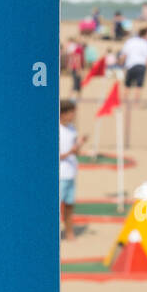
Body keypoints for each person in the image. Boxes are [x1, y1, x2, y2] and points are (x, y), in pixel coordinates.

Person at [59, 99, 87, 241]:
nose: (73, 115)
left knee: (69, 206)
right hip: (59, 175)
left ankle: (69, 232)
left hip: (71, 173)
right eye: (70, 113)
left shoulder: (72, 129)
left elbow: (75, 151)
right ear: (62, 114)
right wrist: (71, 151)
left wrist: (80, 144)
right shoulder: (56, 130)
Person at [120, 25, 147, 103]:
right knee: (139, 86)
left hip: (130, 65)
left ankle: (124, 101)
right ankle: (136, 103)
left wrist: (121, 65)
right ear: (145, 35)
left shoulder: (130, 41)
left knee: (127, 85)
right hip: (141, 66)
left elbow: (124, 55)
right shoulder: (146, 43)